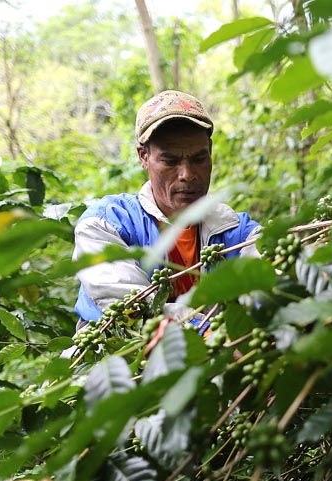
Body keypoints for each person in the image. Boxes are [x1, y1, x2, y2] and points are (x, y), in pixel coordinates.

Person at [72, 90, 261, 328]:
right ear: (144, 157)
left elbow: (270, 279)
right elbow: (132, 308)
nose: (187, 175)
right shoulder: (106, 224)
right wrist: (206, 333)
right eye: (170, 161)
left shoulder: (235, 231)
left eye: (199, 159)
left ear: (210, 152)